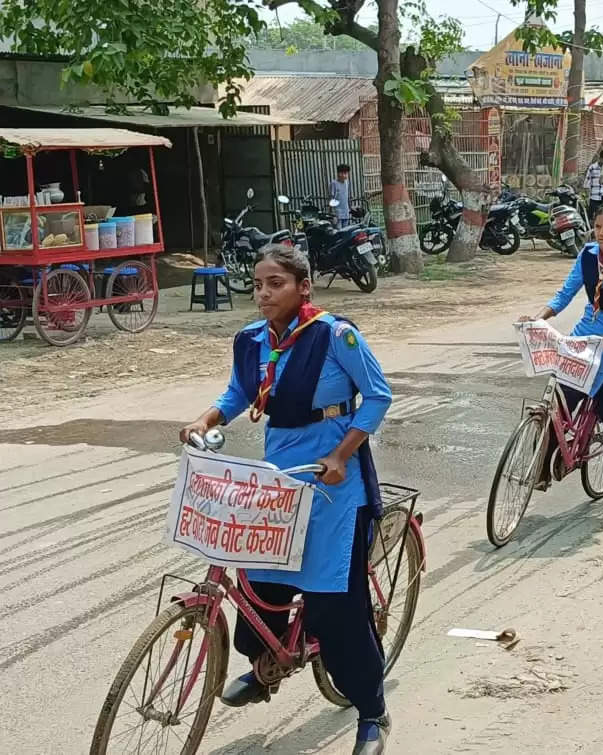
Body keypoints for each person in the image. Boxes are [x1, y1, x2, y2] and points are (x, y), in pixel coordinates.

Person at [178, 245, 393, 755]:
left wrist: (342, 455)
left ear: (303, 288)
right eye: (257, 284)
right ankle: (265, 665)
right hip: (282, 476)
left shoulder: (335, 335)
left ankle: (370, 711)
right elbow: (237, 394)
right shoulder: (251, 340)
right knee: (259, 579)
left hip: (333, 481)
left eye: (276, 283)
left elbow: (379, 395)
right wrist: (204, 421)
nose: (263, 294)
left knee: (335, 605)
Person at [523, 201, 603, 520]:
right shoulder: (588, 255)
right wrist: (540, 317)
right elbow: (565, 294)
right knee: (555, 405)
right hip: (583, 339)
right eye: (598, 226)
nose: (602, 232)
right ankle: (541, 468)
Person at [583, 149, 603, 221]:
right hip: (594, 196)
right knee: (591, 216)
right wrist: (587, 196)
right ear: (600, 158)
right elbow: (587, 182)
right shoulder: (592, 167)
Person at [329, 163, 351, 228]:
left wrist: (349, 208)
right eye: (344, 173)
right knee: (338, 232)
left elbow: (346, 196)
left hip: (346, 212)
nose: (346, 175)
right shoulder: (334, 183)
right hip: (337, 213)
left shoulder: (347, 182)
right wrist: (332, 214)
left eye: (347, 173)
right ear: (339, 174)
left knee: (346, 232)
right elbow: (331, 198)